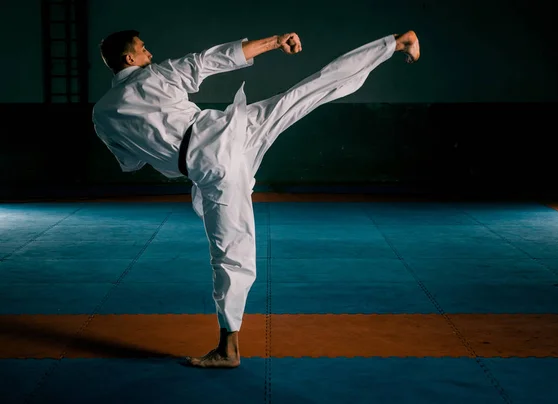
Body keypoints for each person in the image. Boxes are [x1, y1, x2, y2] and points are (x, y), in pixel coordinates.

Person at [92, 29, 420, 368]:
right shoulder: (158, 75)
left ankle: (228, 349)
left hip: (212, 165)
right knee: (308, 91)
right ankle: (395, 43)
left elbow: (130, 163)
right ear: (130, 59)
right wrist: (277, 41)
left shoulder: (102, 114)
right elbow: (214, 58)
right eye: (144, 50)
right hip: (231, 129)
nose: (150, 54)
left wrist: (154, 139)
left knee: (230, 255)